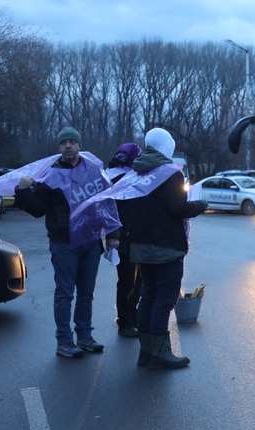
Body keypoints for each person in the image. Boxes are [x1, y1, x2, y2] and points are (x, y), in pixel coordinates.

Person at [15, 127, 117, 358]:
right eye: (63, 143)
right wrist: (22, 192)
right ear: (59, 148)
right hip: (64, 243)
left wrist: (113, 233)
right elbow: (38, 209)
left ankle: (85, 336)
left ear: (79, 145)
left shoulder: (92, 171)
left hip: (90, 240)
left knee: (86, 292)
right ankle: (64, 341)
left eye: (72, 142)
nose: (68, 146)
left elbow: (106, 203)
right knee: (65, 293)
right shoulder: (50, 176)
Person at [124, 128, 207, 370]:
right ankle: (161, 353)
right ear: (167, 147)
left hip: (141, 245)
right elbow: (177, 208)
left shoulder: (136, 171)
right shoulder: (170, 173)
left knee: (148, 295)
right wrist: (200, 205)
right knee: (164, 299)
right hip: (166, 247)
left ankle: (146, 352)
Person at [105, 143, 144, 337]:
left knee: (131, 279)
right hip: (125, 235)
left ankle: (130, 317)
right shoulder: (126, 178)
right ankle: (126, 320)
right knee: (130, 280)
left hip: (123, 235)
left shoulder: (109, 175)